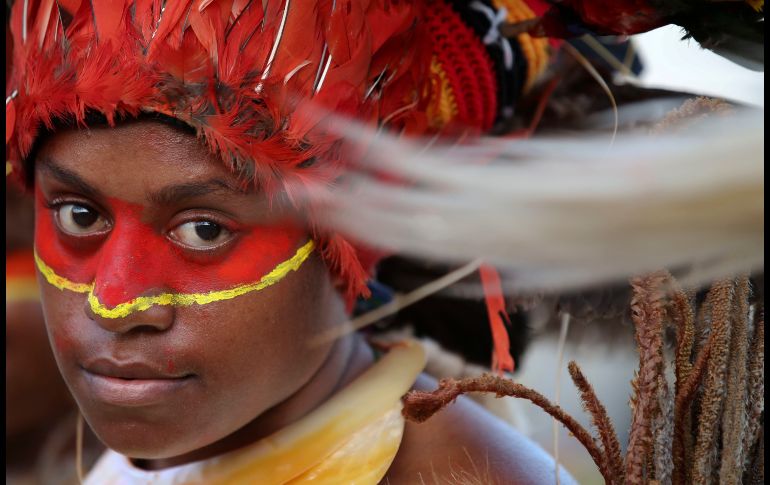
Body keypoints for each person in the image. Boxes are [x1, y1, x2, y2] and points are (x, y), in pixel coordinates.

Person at [5, 0, 762, 483]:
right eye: (78, 215)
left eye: (204, 228)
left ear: (352, 238)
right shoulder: (174, 456)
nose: (116, 299)